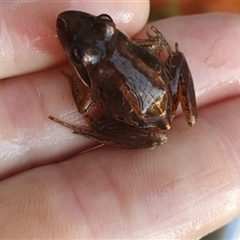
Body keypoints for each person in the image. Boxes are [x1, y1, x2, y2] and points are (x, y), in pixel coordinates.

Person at [0, 1, 240, 239]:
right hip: (163, 93)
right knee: (175, 58)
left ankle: (107, 131)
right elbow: (153, 46)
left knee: (96, 123)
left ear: (111, 28)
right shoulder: (123, 41)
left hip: (144, 120)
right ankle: (190, 116)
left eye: (104, 22)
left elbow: (84, 105)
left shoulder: (97, 68)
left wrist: (76, 78)